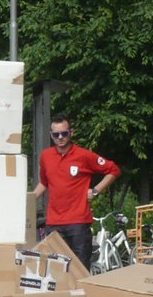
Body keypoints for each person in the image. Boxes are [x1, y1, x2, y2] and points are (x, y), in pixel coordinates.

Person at [33, 114, 121, 270]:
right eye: (56, 134)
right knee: (56, 270)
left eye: (64, 133)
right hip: (54, 222)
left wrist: (95, 191)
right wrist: (28, 201)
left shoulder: (84, 155)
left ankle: (83, 294)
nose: (60, 137)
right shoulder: (46, 156)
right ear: (50, 135)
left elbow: (113, 170)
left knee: (80, 269)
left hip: (78, 222)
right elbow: (44, 183)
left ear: (71, 133)